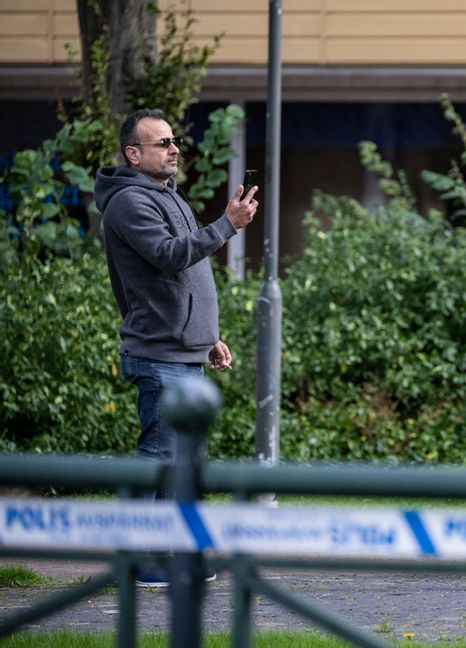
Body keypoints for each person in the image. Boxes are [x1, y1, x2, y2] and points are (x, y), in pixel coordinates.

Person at [95, 108, 257, 586]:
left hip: (182, 350)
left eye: (173, 141)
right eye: (161, 143)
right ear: (133, 153)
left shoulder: (166, 195)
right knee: (160, 457)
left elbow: (184, 276)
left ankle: (173, 554)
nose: (173, 149)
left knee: (182, 462)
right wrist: (227, 224)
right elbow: (170, 257)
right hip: (159, 355)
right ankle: (144, 561)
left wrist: (206, 338)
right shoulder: (128, 202)